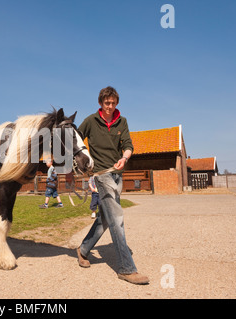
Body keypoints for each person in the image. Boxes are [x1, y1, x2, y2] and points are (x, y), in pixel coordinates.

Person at [76, 86, 149, 285]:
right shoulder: (91, 121)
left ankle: (83, 250)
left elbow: (128, 145)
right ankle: (127, 268)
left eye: (113, 103)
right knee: (117, 220)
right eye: (107, 103)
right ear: (101, 102)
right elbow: (75, 138)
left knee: (106, 219)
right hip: (102, 176)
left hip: (118, 175)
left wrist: (124, 158)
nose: (110, 106)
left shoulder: (121, 121)